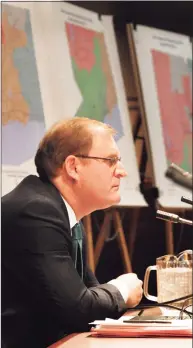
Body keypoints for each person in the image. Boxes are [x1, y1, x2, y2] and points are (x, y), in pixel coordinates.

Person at [2, 117, 143, 348]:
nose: (122, 172)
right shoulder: (35, 211)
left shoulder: (64, 214)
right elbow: (79, 308)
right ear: (73, 167)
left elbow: (91, 303)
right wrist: (122, 288)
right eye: (111, 160)